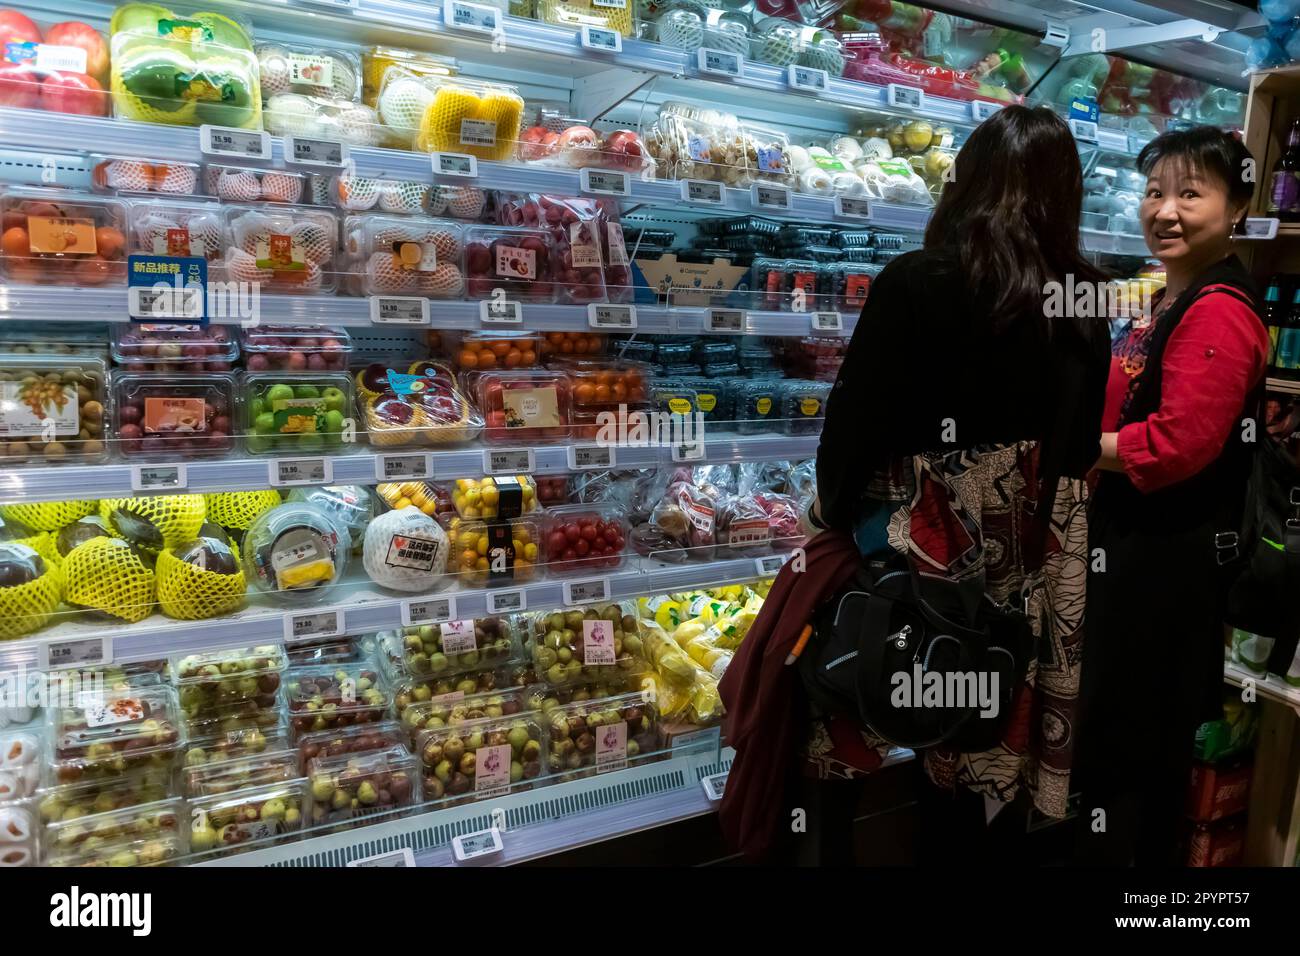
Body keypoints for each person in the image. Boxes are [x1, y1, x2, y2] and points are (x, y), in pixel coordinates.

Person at [718, 105, 1111, 865]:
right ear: (1066, 196)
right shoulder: (1086, 303)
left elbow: (856, 423)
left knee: (839, 721)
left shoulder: (921, 280)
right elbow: (1074, 450)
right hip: (1023, 569)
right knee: (968, 750)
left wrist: (828, 513)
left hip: (911, 558)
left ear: (963, 183)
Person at [1076, 127, 1270, 867]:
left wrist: (1071, 446)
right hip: (1131, 551)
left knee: (1132, 750)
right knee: (1121, 740)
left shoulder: (1218, 307)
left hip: (1164, 564)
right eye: (1154, 191)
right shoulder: (1167, 295)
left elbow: (1179, 441)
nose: (1166, 210)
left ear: (1239, 207)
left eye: (1191, 193)